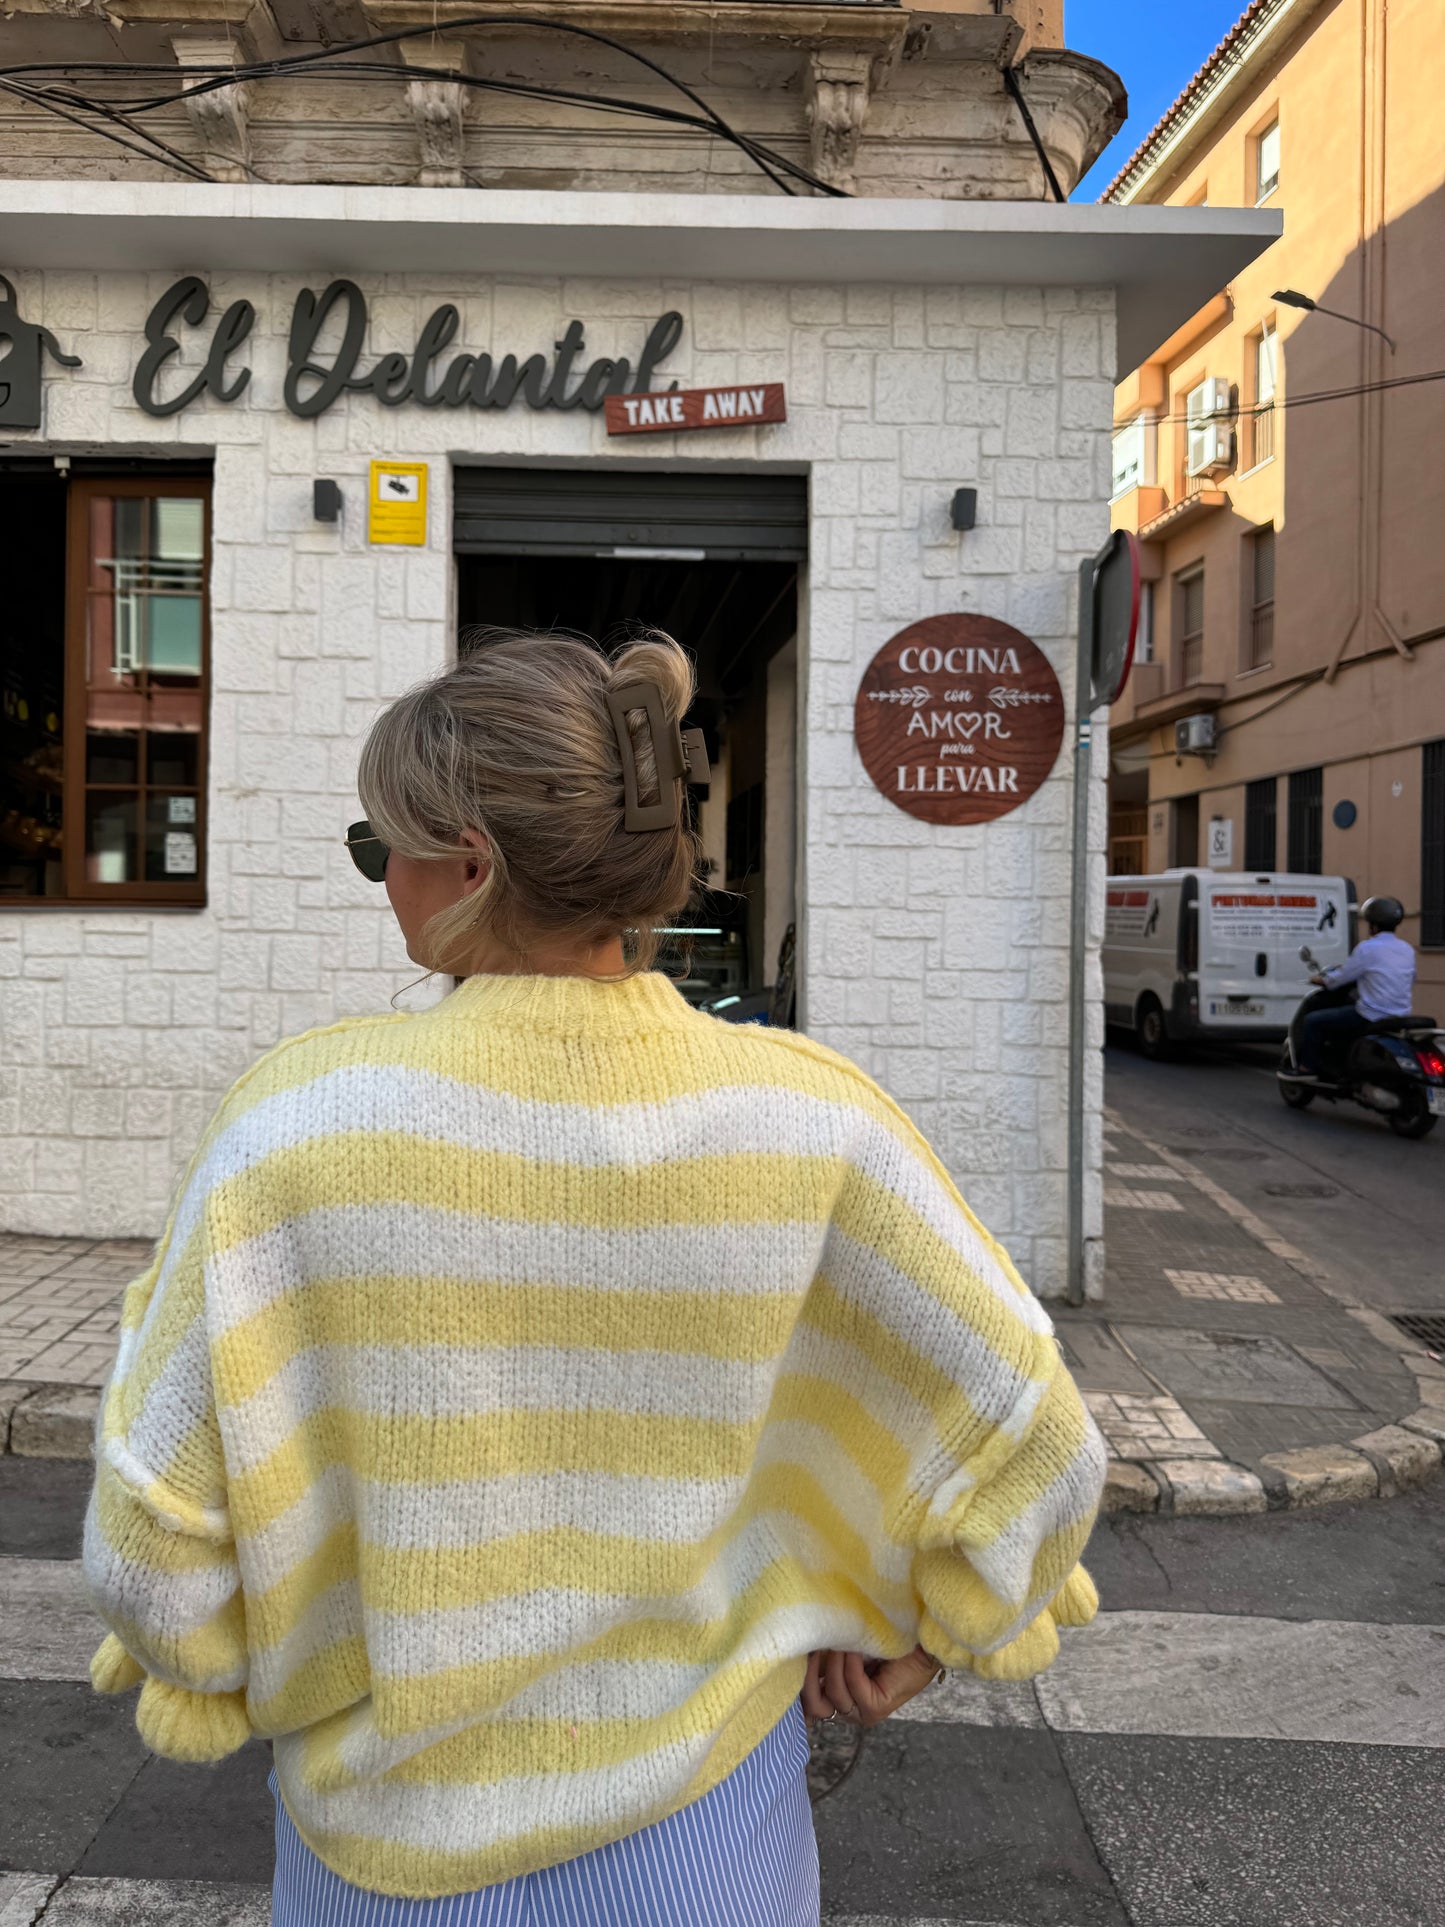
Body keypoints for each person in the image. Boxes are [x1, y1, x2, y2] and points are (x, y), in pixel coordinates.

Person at [82, 629, 1106, 1927]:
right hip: (703, 1832)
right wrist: (941, 1629)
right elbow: (1036, 1439)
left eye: (375, 846)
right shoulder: (810, 1118)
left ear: (466, 860)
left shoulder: (293, 1130)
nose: (378, 876)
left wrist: (217, 1663)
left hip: (383, 1838)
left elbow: (155, 1522)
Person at [1298, 894, 1415, 1078]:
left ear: (1373, 925)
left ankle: (1307, 1068)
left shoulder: (1367, 948)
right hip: (1400, 1015)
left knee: (1313, 1021)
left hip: (1371, 1014)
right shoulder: (1407, 950)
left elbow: (1339, 978)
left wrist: (1320, 979)